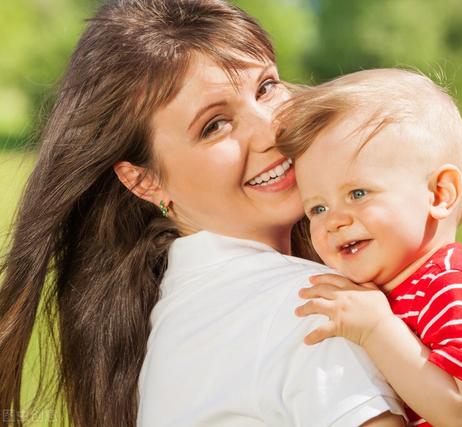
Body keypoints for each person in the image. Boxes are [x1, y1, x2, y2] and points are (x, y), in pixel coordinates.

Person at [0, 2, 407, 426]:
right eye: (214, 125)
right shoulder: (314, 308)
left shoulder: (174, 314)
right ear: (144, 181)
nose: (271, 130)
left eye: (266, 87)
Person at [277, 69, 462, 426]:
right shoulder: (383, 290)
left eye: (358, 193)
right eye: (317, 208)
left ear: (439, 193)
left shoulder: (449, 284)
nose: (334, 220)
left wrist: (376, 328)